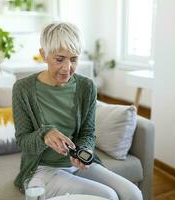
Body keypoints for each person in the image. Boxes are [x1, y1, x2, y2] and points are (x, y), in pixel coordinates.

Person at [12, 21, 143, 200]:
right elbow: (22, 140)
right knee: (108, 196)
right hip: (42, 169)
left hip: (76, 165)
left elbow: (88, 133)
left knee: (133, 194)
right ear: (43, 54)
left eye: (73, 59)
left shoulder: (86, 87)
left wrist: (85, 151)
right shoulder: (23, 89)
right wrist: (45, 135)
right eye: (59, 59)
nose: (67, 69)